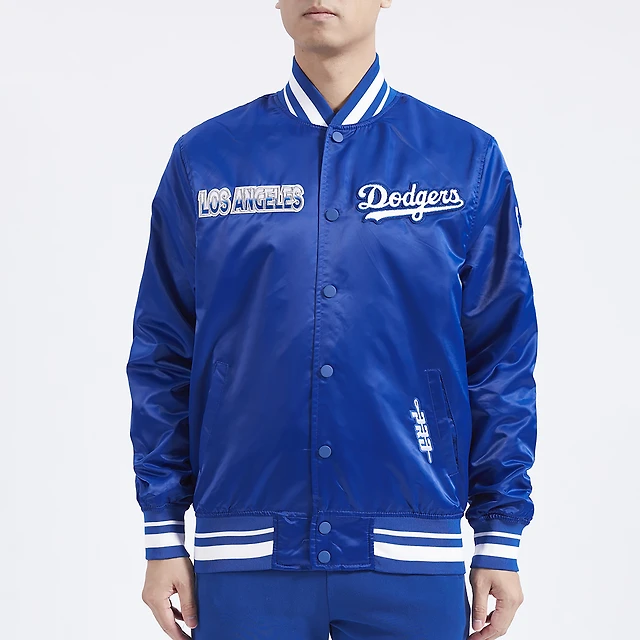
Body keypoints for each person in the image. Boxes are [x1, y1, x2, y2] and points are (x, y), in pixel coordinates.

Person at [125, 1, 538, 639]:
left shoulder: (463, 159)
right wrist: (162, 531)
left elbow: (501, 357)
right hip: (245, 551)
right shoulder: (206, 160)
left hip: (411, 551)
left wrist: (499, 535)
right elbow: (162, 352)